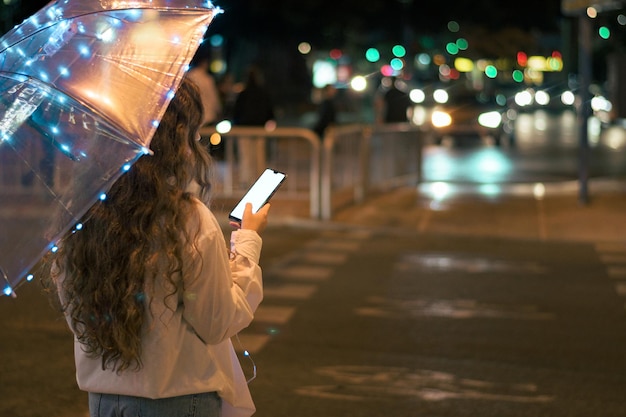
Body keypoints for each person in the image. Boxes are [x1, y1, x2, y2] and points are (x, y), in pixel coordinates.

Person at [44, 77, 270, 417]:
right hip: (180, 400)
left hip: (104, 400)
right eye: (192, 132)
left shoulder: (81, 211)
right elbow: (218, 321)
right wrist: (248, 241)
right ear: (176, 141)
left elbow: (81, 315)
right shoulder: (188, 220)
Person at [233, 65, 275, 187]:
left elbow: (236, 111)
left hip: (244, 128)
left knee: (245, 156)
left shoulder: (243, 94)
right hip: (259, 128)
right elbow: (269, 110)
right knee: (259, 155)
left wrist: (237, 123)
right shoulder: (263, 93)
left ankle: (246, 180)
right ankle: (259, 180)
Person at [186, 55, 222, 126]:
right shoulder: (207, 79)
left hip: (193, 116)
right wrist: (219, 110)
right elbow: (214, 98)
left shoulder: (189, 77)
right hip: (208, 117)